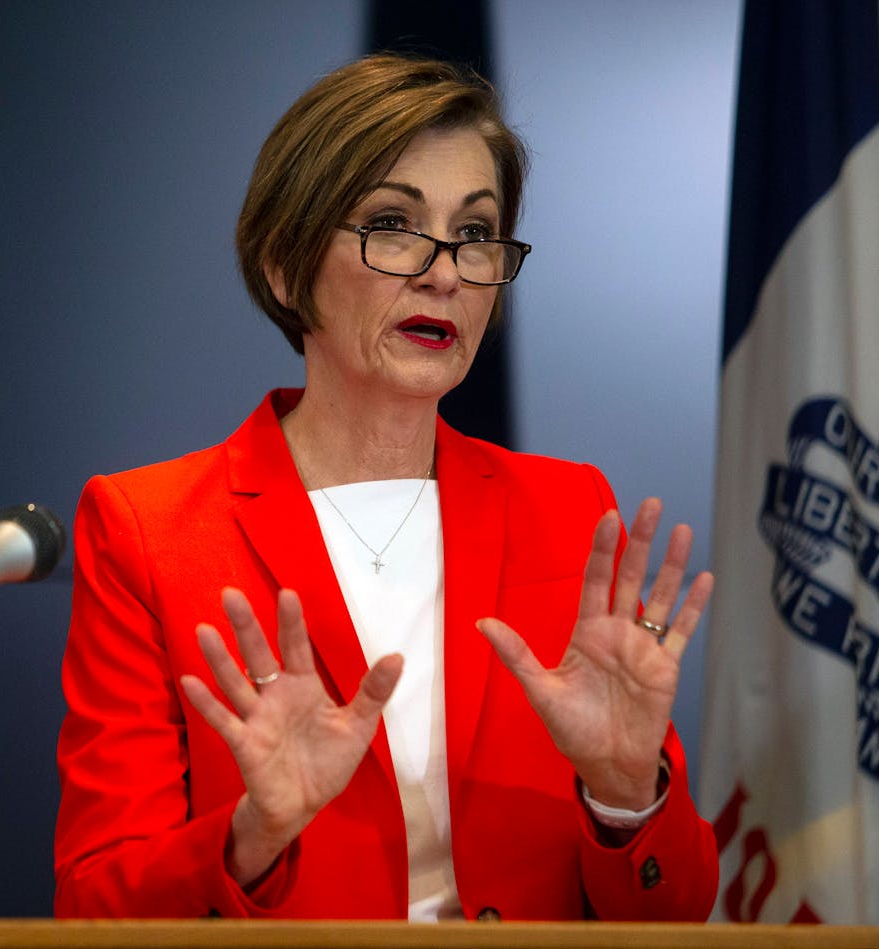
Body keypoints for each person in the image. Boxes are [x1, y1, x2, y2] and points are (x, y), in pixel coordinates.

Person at [54, 54, 719, 921]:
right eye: (393, 223)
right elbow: (92, 908)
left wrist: (629, 789)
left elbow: (673, 917)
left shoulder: (567, 512)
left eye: (476, 234)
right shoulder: (148, 531)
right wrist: (252, 834)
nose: (444, 271)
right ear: (284, 266)